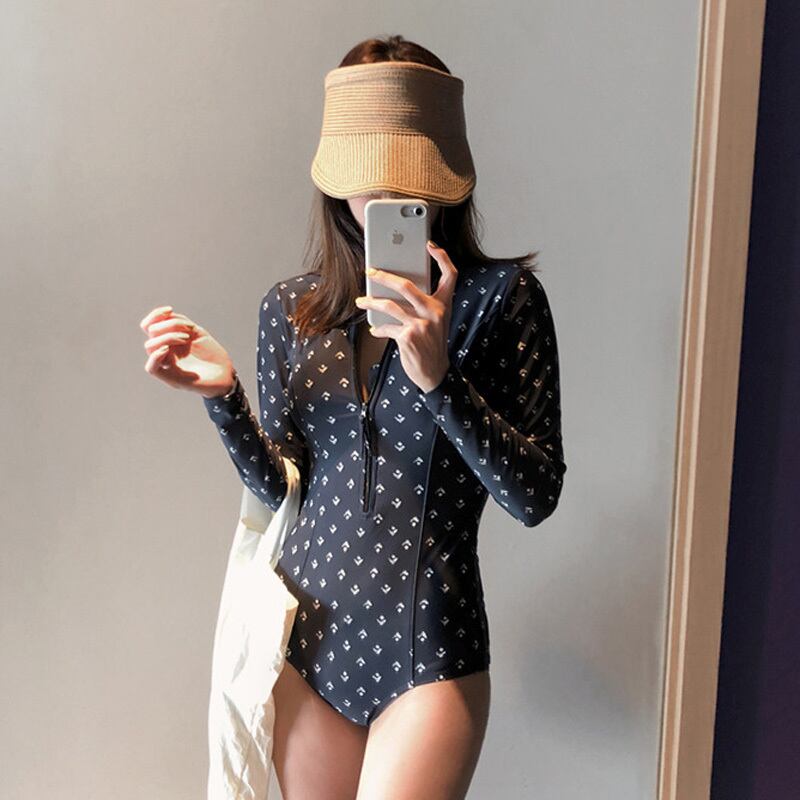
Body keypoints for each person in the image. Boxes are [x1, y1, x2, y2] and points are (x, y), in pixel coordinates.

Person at [140, 34, 566, 800]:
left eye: (406, 167)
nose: (383, 190)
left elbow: (534, 496)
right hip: (305, 648)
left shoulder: (501, 302)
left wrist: (440, 382)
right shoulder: (290, 311)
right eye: (366, 166)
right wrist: (223, 396)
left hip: (430, 652)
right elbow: (284, 491)